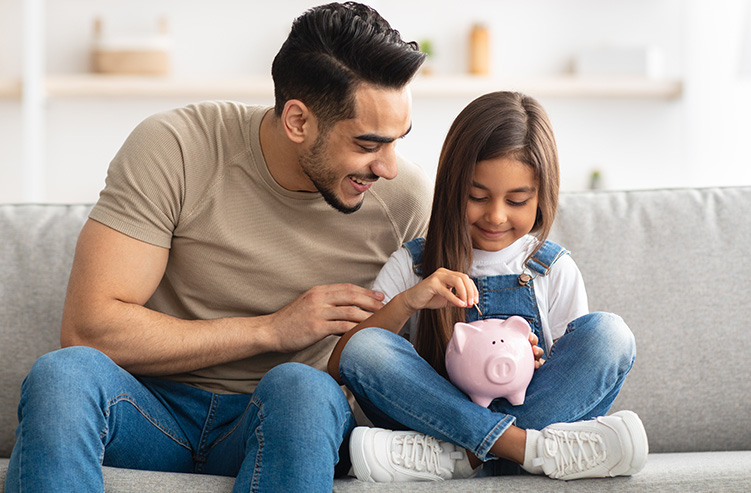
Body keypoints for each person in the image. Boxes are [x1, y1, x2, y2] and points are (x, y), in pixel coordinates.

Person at [5, 3, 432, 492]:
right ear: (297, 120)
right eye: (368, 143)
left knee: (304, 387)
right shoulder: (177, 148)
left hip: (283, 420)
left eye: (399, 141)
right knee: (63, 375)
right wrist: (273, 330)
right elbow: (90, 329)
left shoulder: (406, 201)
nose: (389, 167)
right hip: (150, 409)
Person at [327, 91, 648, 482]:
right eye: (477, 197)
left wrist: (537, 361)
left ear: (541, 197)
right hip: (434, 418)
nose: (495, 216)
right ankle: (523, 450)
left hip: (450, 438)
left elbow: (570, 380)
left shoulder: (552, 269)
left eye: (516, 200)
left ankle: (461, 458)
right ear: (451, 189)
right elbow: (343, 362)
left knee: (609, 334)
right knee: (367, 346)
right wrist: (409, 302)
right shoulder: (414, 265)